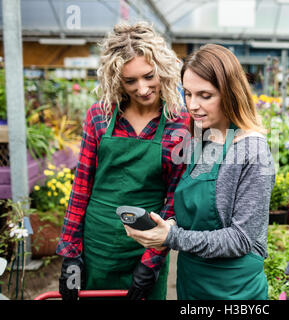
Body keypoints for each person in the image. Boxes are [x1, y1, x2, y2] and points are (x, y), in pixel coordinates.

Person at [125, 44, 275, 300]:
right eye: (188, 93)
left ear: (230, 94)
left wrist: (172, 236)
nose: (192, 105)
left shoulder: (253, 151)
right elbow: (192, 212)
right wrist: (166, 224)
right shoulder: (203, 139)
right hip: (192, 282)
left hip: (234, 289)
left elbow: (241, 239)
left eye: (205, 95)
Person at [56, 22, 189, 300]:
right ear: (117, 80)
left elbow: (173, 200)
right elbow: (81, 188)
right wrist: (69, 254)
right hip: (98, 243)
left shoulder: (180, 125)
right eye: (131, 81)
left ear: (162, 70)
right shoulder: (100, 116)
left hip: (146, 243)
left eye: (148, 76)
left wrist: (152, 261)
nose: (142, 89)